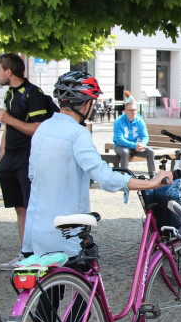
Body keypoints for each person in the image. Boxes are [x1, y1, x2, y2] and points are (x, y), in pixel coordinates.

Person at [22, 71, 171, 259]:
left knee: (46, 288)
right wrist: (151, 183)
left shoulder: (43, 128)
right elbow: (105, 177)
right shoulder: (77, 133)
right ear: (86, 104)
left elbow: (32, 175)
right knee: (80, 282)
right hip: (63, 233)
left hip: (35, 230)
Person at [0, 53, 59, 271]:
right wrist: (2, 156)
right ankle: (24, 252)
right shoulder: (10, 94)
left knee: (32, 207)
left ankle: (36, 254)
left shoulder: (33, 94)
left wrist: (8, 119)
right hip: (10, 158)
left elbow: (39, 128)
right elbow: (7, 128)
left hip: (28, 158)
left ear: (8, 72)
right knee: (19, 207)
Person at [112, 100, 155, 174]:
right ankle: (124, 176)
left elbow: (145, 136)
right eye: (131, 110)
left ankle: (152, 175)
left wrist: (142, 144)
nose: (133, 112)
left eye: (135, 110)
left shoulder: (140, 121)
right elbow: (119, 139)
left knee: (150, 151)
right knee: (125, 152)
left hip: (135, 147)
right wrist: (134, 145)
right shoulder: (118, 121)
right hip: (120, 146)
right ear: (125, 111)